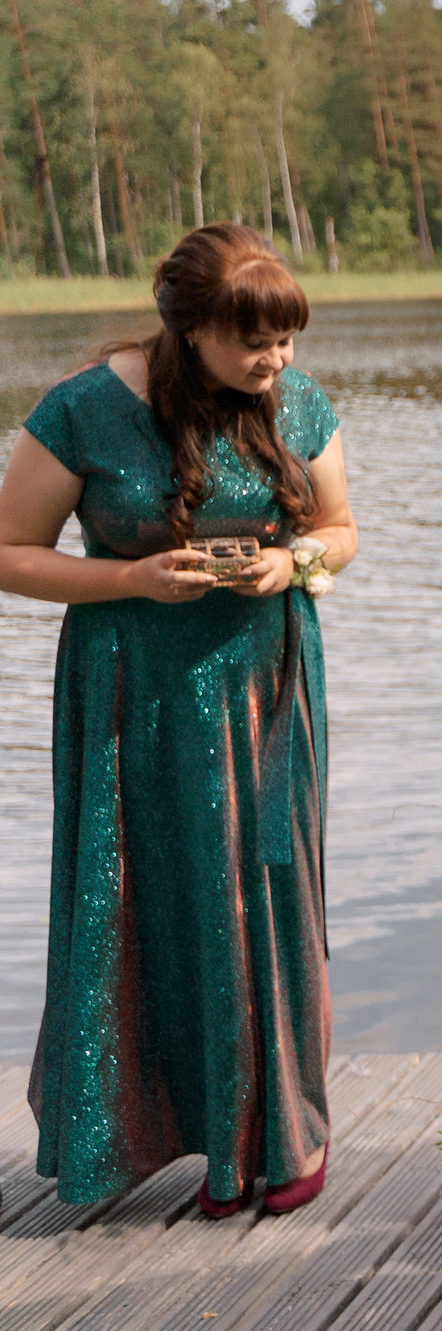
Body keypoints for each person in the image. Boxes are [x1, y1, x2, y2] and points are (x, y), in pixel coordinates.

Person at [0, 223, 357, 1219]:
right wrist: (130, 577)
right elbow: (9, 548)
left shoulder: (299, 401)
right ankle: (157, 1130)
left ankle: (279, 1136)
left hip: (269, 682)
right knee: (153, 892)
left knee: (271, 888)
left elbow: (340, 528)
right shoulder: (82, 409)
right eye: (252, 341)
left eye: (285, 338)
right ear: (189, 328)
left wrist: (300, 562)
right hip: (134, 688)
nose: (274, 359)